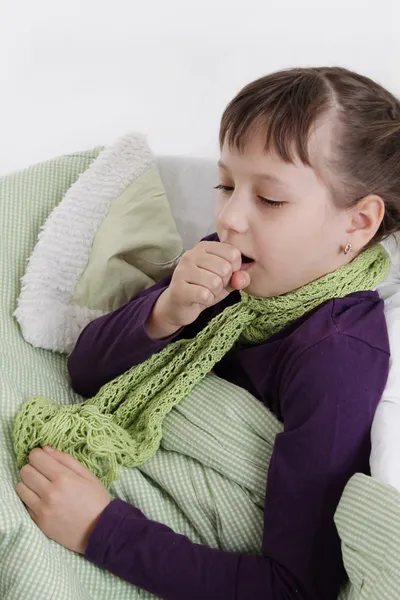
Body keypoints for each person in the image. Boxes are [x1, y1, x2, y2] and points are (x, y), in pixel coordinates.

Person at [16, 67, 400, 600]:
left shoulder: (336, 358)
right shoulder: (226, 268)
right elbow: (87, 371)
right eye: (225, 185)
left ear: (357, 225)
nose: (231, 217)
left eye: (269, 199)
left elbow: (297, 586)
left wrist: (100, 529)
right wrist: (164, 313)